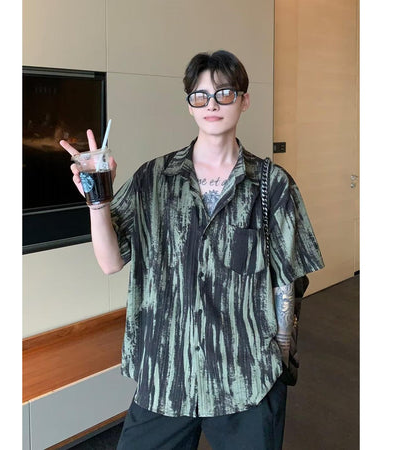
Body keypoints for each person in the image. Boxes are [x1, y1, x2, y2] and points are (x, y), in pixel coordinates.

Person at [60, 50, 324, 450]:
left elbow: (288, 282)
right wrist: (98, 200)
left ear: (244, 100)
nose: (212, 104)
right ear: (189, 105)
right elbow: (110, 262)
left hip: (246, 377)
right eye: (200, 96)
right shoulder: (153, 179)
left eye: (224, 93)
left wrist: (281, 359)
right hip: (166, 374)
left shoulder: (272, 185)